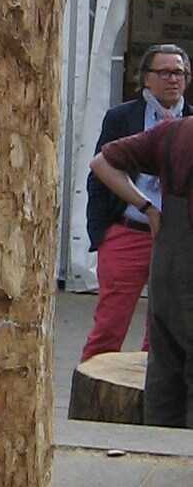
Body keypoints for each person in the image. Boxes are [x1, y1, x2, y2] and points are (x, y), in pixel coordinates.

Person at [81, 44, 191, 363]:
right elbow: (99, 171)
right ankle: (92, 385)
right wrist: (102, 232)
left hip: (174, 237)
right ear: (146, 78)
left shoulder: (189, 121)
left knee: (162, 328)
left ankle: (151, 389)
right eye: (165, 72)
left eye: (179, 73)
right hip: (128, 230)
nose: (173, 79)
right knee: (109, 325)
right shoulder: (122, 117)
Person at [90, 115, 193, 426]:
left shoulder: (174, 131)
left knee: (164, 373)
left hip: (166, 267)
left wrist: (147, 208)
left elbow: (101, 163)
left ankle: (157, 446)